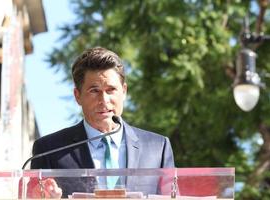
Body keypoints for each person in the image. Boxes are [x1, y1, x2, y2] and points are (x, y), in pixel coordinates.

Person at [28, 47, 175, 198]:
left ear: (124, 91)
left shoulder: (158, 148)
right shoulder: (49, 150)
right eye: (94, 91)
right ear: (77, 96)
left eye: (111, 90)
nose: (104, 100)